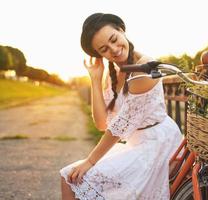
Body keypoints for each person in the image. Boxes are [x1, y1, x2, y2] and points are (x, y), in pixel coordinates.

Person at [59, 13, 183, 200]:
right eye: (104, 49)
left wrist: (90, 161)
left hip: (156, 144)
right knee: (69, 177)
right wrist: (95, 79)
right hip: (135, 144)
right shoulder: (114, 73)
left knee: (82, 177)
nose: (114, 50)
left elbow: (120, 126)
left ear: (121, 30)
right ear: (100, 55)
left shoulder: (144, 69)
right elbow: (101, 124)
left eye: (114, 40)